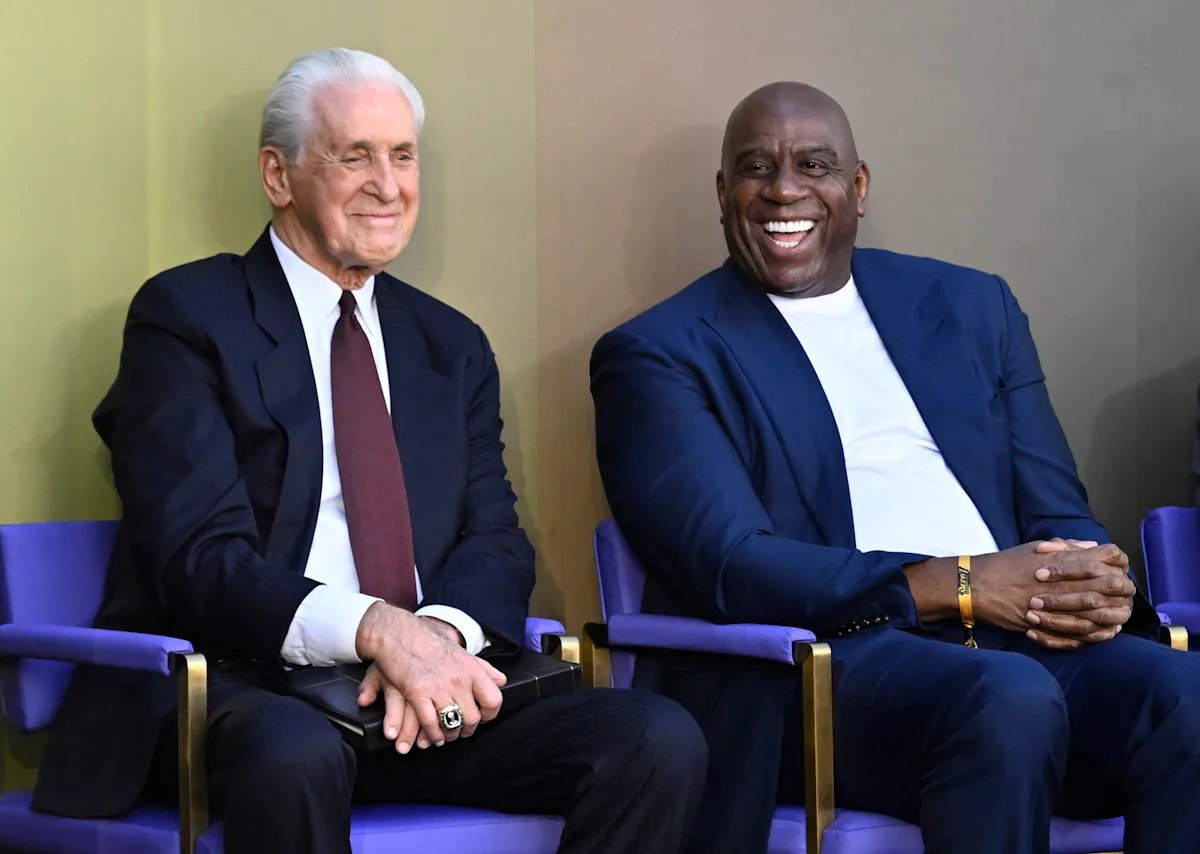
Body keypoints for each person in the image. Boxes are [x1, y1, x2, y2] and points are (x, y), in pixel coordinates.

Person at [32, 48, 706, 854]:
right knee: (294, 753)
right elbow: (200, 560)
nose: (388, 185)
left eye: (403, 155)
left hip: (421, 693)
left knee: (654, 738)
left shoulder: (449, 344)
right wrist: (376, 630)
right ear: (278, 177)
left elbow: (494, 539)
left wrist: (436, 642)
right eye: (355, 156)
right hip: (244, 686)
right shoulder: (186, 317)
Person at [591, 81, 1200, 854]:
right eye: (756, 168)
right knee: (1006, 698)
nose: (784, 188)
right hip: (827, 666)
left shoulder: (972, 306)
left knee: (1184, 695)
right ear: (722, 193)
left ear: (859, 186)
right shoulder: (660, 352)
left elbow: (1056, 507)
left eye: (814, 164)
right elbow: (731, 565)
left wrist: (1089, 575)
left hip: (1025, 644)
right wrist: (970, 584)